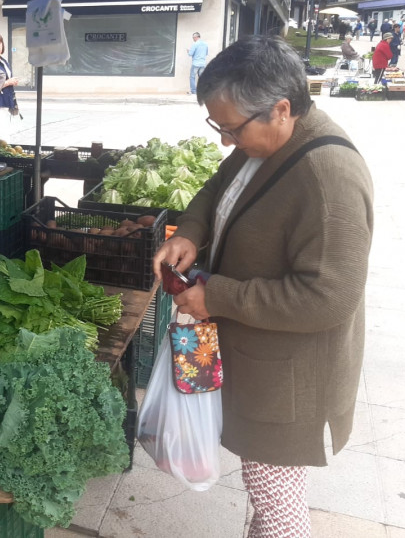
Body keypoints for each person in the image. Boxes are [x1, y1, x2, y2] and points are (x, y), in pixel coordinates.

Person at [153, 35, 373, 538]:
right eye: (218, 126)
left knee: (279, 510)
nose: (225, 141)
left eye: (231, 128)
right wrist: (190, 232)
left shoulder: (328, 175)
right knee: (268, 496)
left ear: (280, 109)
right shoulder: (267, 143)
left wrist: (219, 296)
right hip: (262, 365)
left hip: (290, 385)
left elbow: (328, 297)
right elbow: (216, 187)